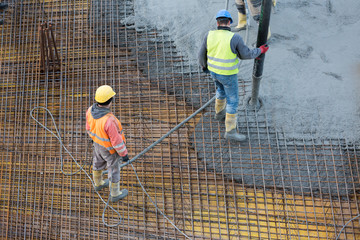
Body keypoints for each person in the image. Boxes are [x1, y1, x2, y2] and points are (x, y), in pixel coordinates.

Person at [198, 9, 269, 142]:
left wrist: (204, 67)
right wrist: (260, 50)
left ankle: (219, 114)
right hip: (228, 75)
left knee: (220, 90)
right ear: (229, 22)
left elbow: (201, 55)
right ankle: (230, 131)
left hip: (214, 72)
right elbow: (246, 54)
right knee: (233, 101)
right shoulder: (234, 38)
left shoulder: (209, 34)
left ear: (217, 22)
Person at [86, 85, 129, 202]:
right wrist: (123, 154)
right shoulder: (109, 120)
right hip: (110, 150)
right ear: (110, 101)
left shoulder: (90, 110)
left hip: (97, 145)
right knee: (114, 169)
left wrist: (93, 138)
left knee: (97, 162)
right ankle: (115, 194)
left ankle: (98, 183)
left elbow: (88, 127)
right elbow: (117, 141)